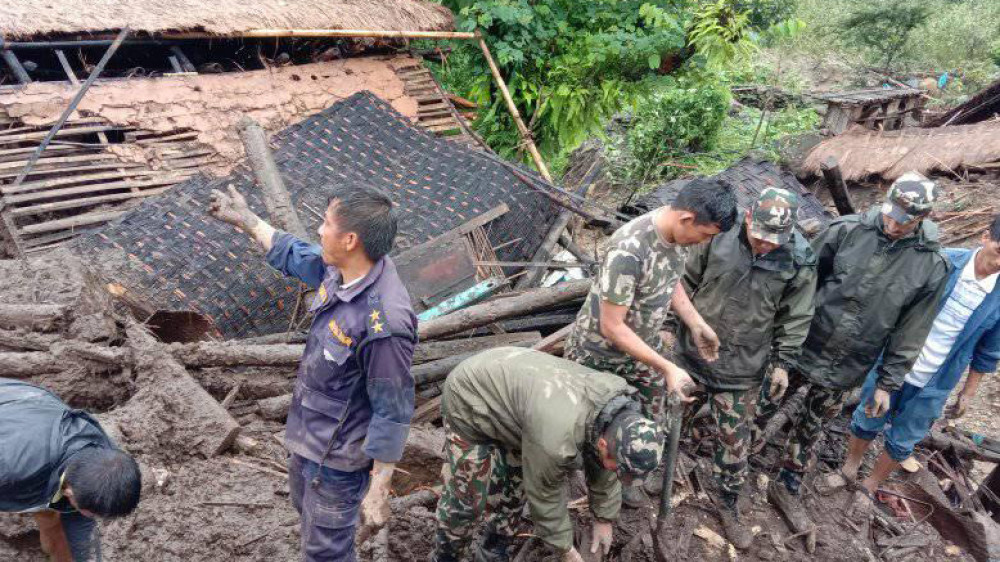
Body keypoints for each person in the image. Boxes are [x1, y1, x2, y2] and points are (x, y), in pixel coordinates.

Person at [208, 183, 417, 561]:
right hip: (308, 437)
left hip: (337, 459)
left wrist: (378, 487)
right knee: (307, 519)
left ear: (350, 239)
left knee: (326, 553)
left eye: (325, 223)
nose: (319, 231)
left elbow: (394, 408)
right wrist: (247, 221)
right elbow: (297, 254)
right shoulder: (343, 270)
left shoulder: (384, 322)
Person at [752, 172, 951, 545]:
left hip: (850, 360)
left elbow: (913, 329)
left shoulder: (931, 265)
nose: (892, 224)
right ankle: (737, 451)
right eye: (890, 214)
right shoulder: (847, 230)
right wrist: (779, 336)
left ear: (922, 218)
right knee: (765, 400)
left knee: (813, 425)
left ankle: (789, 479)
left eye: (904, 220)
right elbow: (803, 280)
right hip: (804, 342)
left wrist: (888, 384)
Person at [564, 178, 739, 506]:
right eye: (706, 235)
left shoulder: (676, 236)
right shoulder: (630, 248)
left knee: (652, 411)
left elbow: (670, 280)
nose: (704, 243)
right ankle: (584, 481)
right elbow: (612, 326)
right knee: (586, 424)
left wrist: (696, 322)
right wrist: (667, 366)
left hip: (640, 348)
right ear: (687, 219)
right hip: (597, 353)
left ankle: (629, 472)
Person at [676, 188, 817, 549]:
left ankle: (726, 500)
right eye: (760, 237)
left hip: (743, 365)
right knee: (673, 412)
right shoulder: (719, 233)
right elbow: (686, 279)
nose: (766, 246)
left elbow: (796, 316)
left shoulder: (799, 257)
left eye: (775, 241)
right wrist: (666, 324)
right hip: (692, 350)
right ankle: (661, 466)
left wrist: (783, 363)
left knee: (734, 440)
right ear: (749, 217)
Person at [828, 214, 1000, 511]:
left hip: (938, 378)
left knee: (905, 437)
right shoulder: (944, 263)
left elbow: (988, 351)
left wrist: (968, 393)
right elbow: (894, 305)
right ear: (985, 237)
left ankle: (871, 483)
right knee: (869, 415)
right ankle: (849, 467)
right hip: (896, 361)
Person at [431, 348, 664, 562]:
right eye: (618, 468)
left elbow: (604, 463)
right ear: (603, 444)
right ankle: (445, 556)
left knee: (515, 488)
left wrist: (604, 518)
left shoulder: (616, 414)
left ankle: (492, 551)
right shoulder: (557, 439)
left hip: (522, 404)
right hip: (470, 397)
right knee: (468, 501)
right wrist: (565, 550)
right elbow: (544, 496)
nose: (615, 472)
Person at [0, 378, 142, 562]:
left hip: (32, 412)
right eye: (91, 513)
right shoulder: (12, 466)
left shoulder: (104, 459)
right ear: (68, 491)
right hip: (12, 411)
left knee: (62, 531)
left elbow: (80, 530)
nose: (95, 518)